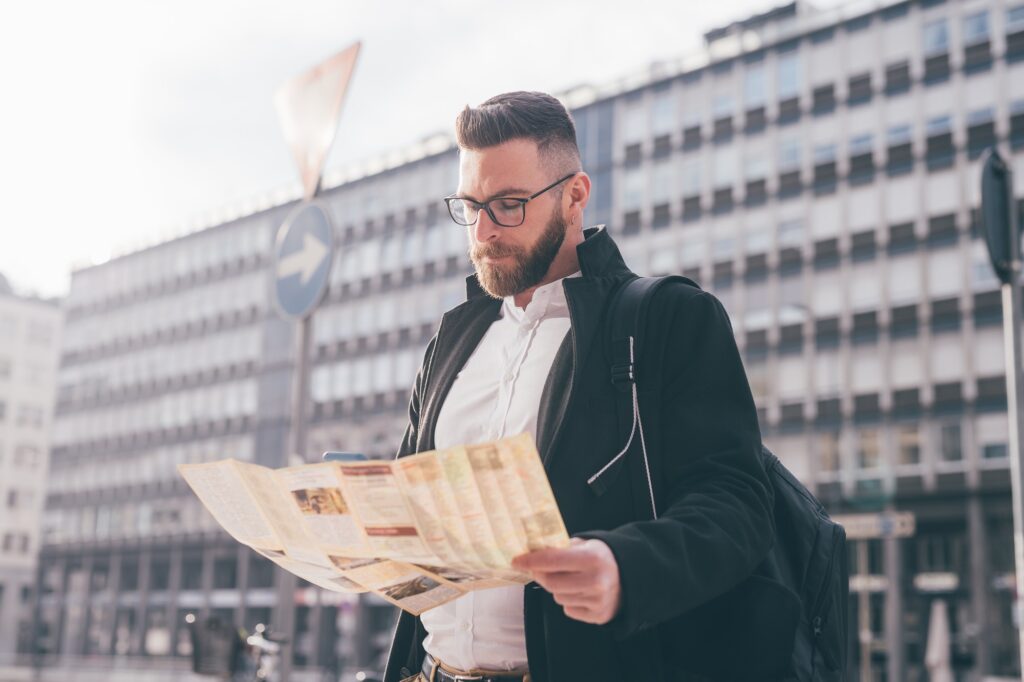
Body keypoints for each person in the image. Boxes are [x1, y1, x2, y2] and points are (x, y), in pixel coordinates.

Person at [384, 91, 778, 682]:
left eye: (509, 204)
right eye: (471, 206)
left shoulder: (667, 319)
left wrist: (626, 567)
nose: (485, 230)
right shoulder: (450, 338)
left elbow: (739, 507)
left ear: (574, 196)